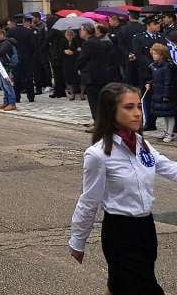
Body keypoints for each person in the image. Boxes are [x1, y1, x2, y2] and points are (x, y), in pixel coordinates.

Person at [69, 82, 177, 295]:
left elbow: (169, 168)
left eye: (139, 106)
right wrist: (77, 241)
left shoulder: (141, 143)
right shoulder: (98, 155)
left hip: (146, 229)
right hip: (120, 233)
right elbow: (89, 201)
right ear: (111, 111)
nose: (138, 113)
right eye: (129, 108)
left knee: (118, 287)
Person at [133, 15, 168, 131]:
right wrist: (151, 65)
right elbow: (139, 54)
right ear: (148, 25)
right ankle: (149, 121)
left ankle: (155, 119)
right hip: (146, 72)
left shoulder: (162, 37)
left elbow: (165, 53)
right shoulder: (139, 38)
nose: (158, 26)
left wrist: (159, 65)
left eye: (159, 23)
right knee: (146, 97)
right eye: (156, 24)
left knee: (158, 96)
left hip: (160, 72)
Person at [77, 23, 109, 127]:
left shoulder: (88, 43)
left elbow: (83, 59)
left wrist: (77, 67)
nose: (80, 32)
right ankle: (99, 122)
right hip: (100, 75)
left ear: (86, 31)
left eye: (81, 30)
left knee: (94, 101)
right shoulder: (98, 41)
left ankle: (98, 124)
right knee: (98, 100)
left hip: (91, 76)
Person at [146, 43, 177, 143]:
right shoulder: (154, 66)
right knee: (164, 114)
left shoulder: (167, 66)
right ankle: (167, 131)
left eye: (155, 54)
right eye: (153, 53)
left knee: (170, 114)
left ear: (162, 54)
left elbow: (168, 81)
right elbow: (156, 79)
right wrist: (149, 83)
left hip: (166, 93)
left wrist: (166, 94)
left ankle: (170, 132)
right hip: (158, 92)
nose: (153, 55)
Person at [7, 15, 37, 103]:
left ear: (15, 22)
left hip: (16, 57)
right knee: (29, 77)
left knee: (16, 78)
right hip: (27, 58)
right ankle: (31, 96)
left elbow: (9, 45)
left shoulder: (11, 31)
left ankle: (17, 97)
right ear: (23, 21)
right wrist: (30, 55)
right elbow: (33, 46)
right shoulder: (28, 31)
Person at [0, 29, 18, 111]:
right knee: (3, 86)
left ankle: (12, 103)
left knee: (8, 85)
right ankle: (6, 102)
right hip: (0, 66)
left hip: (6, 66)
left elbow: (1, 52)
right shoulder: (0, 43)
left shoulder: (6, 43)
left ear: (2, 35)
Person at [61, 29, 81, 100]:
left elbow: (79, 51)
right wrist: (64, 51)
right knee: (67, 77)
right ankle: (71, 93)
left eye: (70, 35)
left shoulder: (76, 41)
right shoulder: (63, 41)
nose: (69, 37)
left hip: (74, 61)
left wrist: (73, 52)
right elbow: (59, 51)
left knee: (75, 78)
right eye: (68, 35)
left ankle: (79, 93)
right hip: (66, 62)